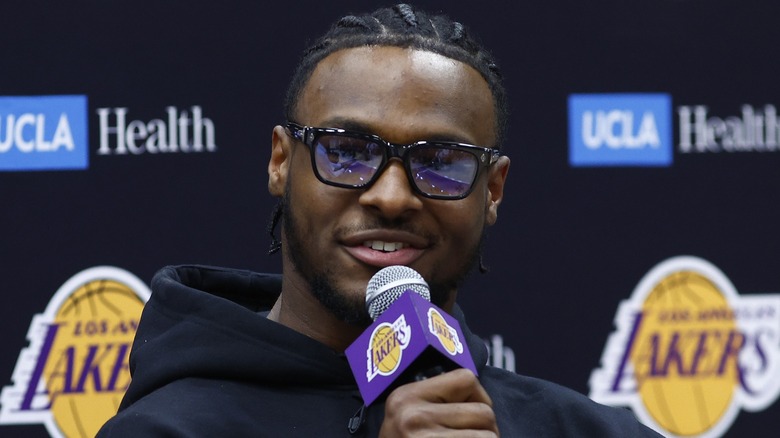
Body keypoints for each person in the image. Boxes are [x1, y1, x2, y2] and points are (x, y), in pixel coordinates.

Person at [98, 4, 662, 437]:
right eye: (346, 151)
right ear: (280, 162)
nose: (392, 198)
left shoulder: (584, 428)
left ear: (492, 191)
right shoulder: (168, 428)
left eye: (440, 162)